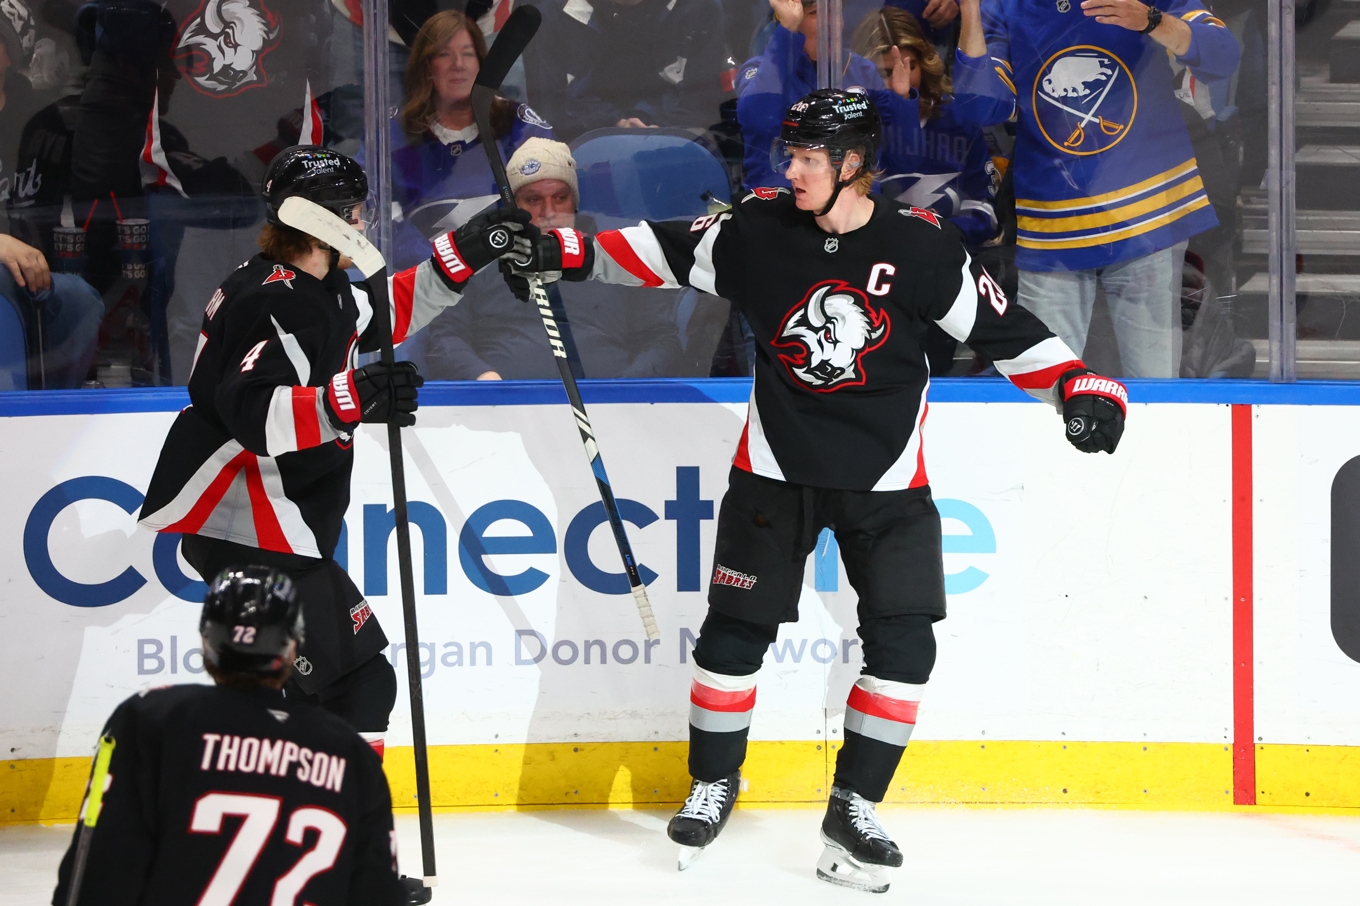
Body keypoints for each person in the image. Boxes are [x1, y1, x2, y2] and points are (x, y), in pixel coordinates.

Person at [508, 89, 1128, 891]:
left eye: (807, 158)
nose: (790, 169)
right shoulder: (758, 232)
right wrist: (558, 250)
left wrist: (1077, 387)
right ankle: (714, 780)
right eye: (790, 154)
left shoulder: (923, 247)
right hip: (775, 472)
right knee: (734, 638)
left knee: (906, 647)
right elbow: (655, 253)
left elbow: (1004, 331)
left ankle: (854, 807)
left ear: (853, 167)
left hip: (889, 482)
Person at [136, 146, 529, 792]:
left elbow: (383, 314)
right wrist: (356, 397)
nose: (363, 225)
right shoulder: (274, 301)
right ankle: (344, 845)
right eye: (354, 213)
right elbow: (256, 416)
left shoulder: (314, 289)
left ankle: (299, 841)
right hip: (250, 526)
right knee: (359, 682)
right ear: (325, 221)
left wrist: (469, 251)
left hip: (269, 529)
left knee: (302, 705)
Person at [51, 566, 404, 906]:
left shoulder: (149, 720)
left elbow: (97, 872)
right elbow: (376, 892)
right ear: (294, 649)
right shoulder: (348, 753)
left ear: (206, 644)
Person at [951, 0, 1241, 377]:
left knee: (1152, 388)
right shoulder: (1004, 5)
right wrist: (971, 9)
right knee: (1046, 389)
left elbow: (1223, 56)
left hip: (1146, 215)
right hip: (1054, 223)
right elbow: (981, 109)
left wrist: (1151, 21)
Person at [417, 137, 684, 380]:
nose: (549, 211)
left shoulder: (616, 257)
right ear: (512, 206)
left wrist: (628, 387)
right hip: (501, 411)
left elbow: (660, 339)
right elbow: (445, 336)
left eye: (560, 197)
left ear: (575, 201)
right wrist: (480, 377)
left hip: (613, 412)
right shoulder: (478, 260)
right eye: (533, 199)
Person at [391, 9, 553, 269]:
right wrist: (439, 265)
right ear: (426, 67)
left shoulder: (520, 126)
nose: (459, 64)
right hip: (426, 276)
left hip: (506, 275)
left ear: (482, 63)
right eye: (444, 53)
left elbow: (550, 205)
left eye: (468, 53)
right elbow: (373, 210)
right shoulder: (396, 132)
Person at [0, 0, 102, 389]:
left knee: (80, 298)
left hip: (42, 276)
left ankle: (57, 415)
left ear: (9, 54)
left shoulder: (45, 125)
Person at [736, 0, 921, 191]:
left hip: (852, 210)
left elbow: (905, 163)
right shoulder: (760, 70)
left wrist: (902, 100)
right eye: (816, 13)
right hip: (782, 204)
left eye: (836, 12)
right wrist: (787, 32)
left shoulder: (863, 71)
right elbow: (758, 120)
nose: (830, 22)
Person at [853, 6, 998, 247]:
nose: (899, 82)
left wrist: (939, 238)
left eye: (909, 67)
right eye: (884, 72)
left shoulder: (958, 119)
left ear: (925, 64)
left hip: (948, 258)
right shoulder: (855, 129)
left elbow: (984, 211)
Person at [521, 0, 733, 143]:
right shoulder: (546, 14)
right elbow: (547, 107)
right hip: (582, 151)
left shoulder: (700, 8)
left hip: (676, 145)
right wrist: (613, 124)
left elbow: (705, 101)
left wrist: (659, 127)